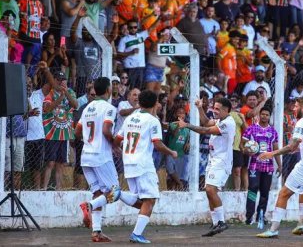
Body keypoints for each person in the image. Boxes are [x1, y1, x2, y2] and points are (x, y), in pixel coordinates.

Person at [257, 95, 303, 238]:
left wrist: (271, 154)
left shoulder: (302, 122)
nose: (294, 109)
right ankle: (301, 224)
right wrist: (298, 147)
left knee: (283, 193)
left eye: (296, 106)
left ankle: (273, 229)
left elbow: (292, 146)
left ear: (302, 107)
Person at [76, 77, 138, 242]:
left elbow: (77, 131)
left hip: (86, 157)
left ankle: (96, 232)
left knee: (98, 192)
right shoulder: (109, 108)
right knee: (114, 191)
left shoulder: (87, 108)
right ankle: (89, 205)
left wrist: (89, 140)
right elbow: (105, 129)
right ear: (109, 90)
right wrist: (114, 145)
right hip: (101, 157)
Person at [114, 90, 177, 244]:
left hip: (128, 163)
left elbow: (118, 138)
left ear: (139, 102)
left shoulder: (130, 118)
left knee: (139, 200)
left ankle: (119, 194)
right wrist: (171, 152)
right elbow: (157, 143)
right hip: (143, 164)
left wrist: (119, 149)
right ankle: (136, 233)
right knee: (150, 200)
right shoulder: (152, 120)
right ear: (155, 103)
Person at [177, 97, 236, 237]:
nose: (214, 111)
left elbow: (205, 130)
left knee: (210, 189)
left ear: (226, 110)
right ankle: (216, 224)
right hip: (213, 159)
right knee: (209, 191)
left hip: (222, 162)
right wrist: (199, 107)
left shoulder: (228, 123)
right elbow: (205, 122)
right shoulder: (220, 120)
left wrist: (187, 125)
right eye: (214, 108)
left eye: (218, 109)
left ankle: (221, 222)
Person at [241, 106, 280, 226]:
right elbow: (242, 143)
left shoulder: (273, 131)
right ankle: (249, 216)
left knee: (264, 192)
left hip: (268, 166)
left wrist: (279, 164)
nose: (264, 116)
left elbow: (276, 149)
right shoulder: (251, 129)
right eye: (262, 114)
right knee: (253, 188)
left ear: (269, 117)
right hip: (254, 164)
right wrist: (246, 151)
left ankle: (260, 216)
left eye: (267, 115)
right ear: (259, 115)